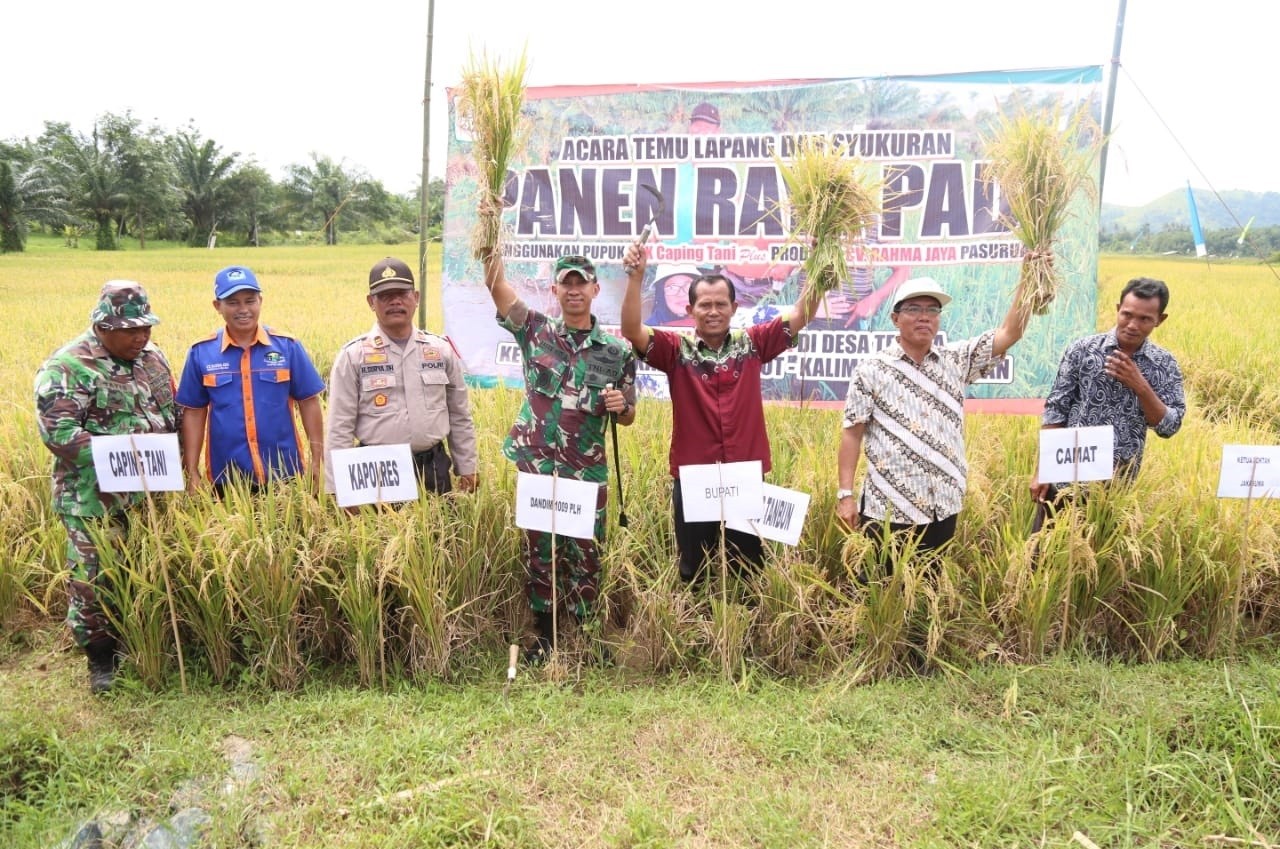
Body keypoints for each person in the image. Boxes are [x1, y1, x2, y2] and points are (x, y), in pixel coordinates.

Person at [620, 245, 826, 584]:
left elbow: (801, 314)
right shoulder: (676, 350)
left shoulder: (754, 344)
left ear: (734, 307)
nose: (713, 311)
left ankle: (743, 636)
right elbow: (632, 330)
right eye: (705, 304)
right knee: (693, 571)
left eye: (720, 304)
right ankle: (696, 633)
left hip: (745, 475)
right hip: (693, 479)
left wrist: (819, 264)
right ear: (690, 309)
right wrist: (636, 278)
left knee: (748, 571)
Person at [480, 247, 637, 662]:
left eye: (580, 283)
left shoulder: (615, 352)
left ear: (595, 289)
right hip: (538, 464)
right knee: (540, 550)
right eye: (566, 283)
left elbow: (628, 416)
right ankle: (545, 635)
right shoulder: (535, 331)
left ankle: (586, 634)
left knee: (585, 550)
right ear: (555, 289)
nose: (573, 290)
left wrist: (623, 406)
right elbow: (497, 287)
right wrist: (489, 243)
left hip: (585, 470)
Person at [34, 281, 180, 694]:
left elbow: (171, 412)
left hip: (150, 496)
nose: (142, 336)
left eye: (146, 327)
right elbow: (59, 434)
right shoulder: (68, 367)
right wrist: (124, 458)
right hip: (91, 501)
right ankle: (101, 661)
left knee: (143, 576)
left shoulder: (153, 360)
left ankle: (146, 645)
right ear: (102, 325)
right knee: (92, 583)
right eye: (131, 330)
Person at [836, 274, 1034, 560]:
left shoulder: (955, 361)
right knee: (882, 593)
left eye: (932, 310)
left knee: (930, 591)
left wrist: (1031, 275)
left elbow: (1009, 333)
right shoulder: (872, 369)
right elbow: (851, 433)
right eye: (914, 309)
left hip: (942, 506)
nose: (924, 317)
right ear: (895, 318)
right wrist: (845, 495)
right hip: (888, 508)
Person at [1031, 277, 1185, 525]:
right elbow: (1056, 410)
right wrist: (1043, 470)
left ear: (1160, 320)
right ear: (1117, 309)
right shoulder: (1082, 350)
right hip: (1065, 478)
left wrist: (1140, 385)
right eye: (1127, 314)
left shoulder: (1163, 364)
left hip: (1117, 488)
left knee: (1099, 560)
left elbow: (1170, 426)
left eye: (1145, 319)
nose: (1133, 325)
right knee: (1044, 557)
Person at [325, 257, 478, 497]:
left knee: (437, 533)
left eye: (402, 293)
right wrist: (339, 487)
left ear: (416, 298)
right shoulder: (353, 356)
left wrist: (467, 466)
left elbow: (459, 414)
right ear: (371, 302)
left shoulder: (440, 350)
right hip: (376, 469)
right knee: (381, 535)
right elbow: (339, 426)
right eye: (385, 296)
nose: (395, 301)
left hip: (432, 467)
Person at [177, 266, 325, 492]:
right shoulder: (201, 352)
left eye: (250, 300)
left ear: (260, 301)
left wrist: (318, 460)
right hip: (227, 478)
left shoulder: (287, 347)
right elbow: (195, 413)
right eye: (233, 302)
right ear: (218, 306)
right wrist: (192, 470)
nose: (243, 309)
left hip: (285, 473)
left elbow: (309, 402)